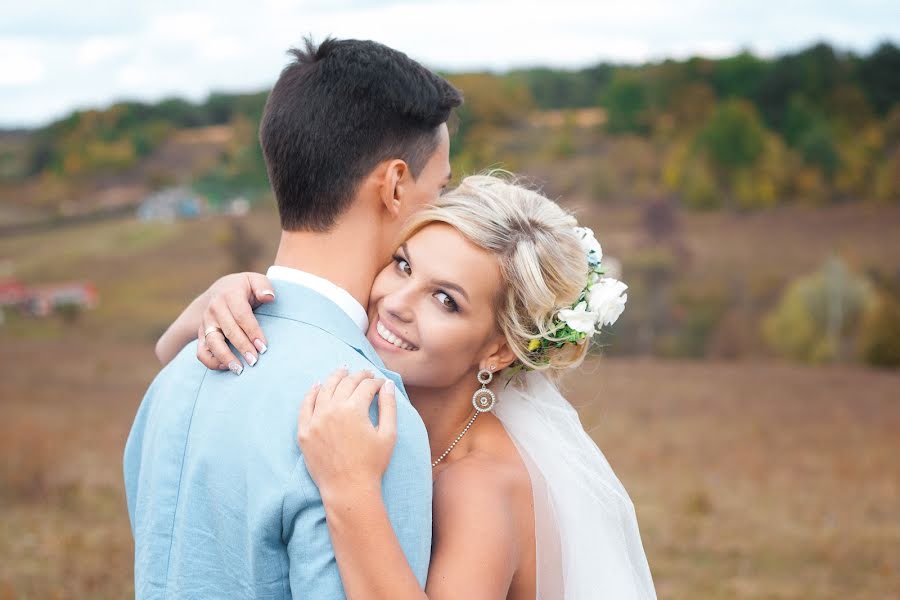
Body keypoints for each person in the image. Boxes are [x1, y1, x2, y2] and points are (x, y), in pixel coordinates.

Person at [162, 173, 657, 598]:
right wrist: (220, 295)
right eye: (403, 265)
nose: (397, 302)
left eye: (445, 300)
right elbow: (168, 354)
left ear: (498, 350)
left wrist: (348, 486)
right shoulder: (377, 372)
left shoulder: (478, 483)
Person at [124, 37, 462, 599]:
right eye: (441, 188)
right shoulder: (364, 411)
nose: (445, 212)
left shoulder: (177, 374)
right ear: (396, 184)